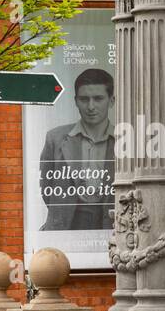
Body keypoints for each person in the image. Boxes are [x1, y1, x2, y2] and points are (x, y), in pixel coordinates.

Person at [39, 67, 115, 231]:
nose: (91, 106)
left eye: (98, 98)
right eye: (84, 99)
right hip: (67, 224)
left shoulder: (124, 139)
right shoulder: (55, 138)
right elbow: (47, 187)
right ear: (76, 101)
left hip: (109, 223)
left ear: (112, 100)